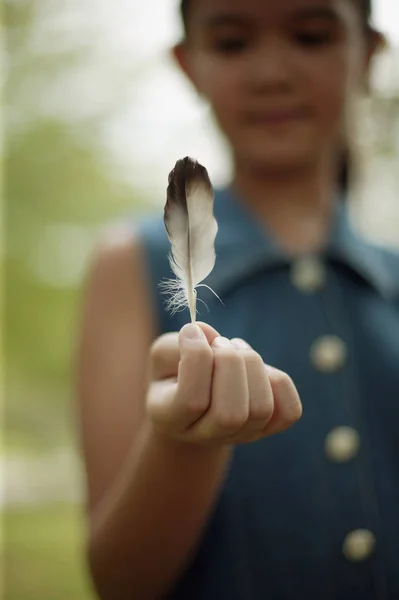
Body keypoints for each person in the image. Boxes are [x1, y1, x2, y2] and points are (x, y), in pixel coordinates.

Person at [76, 0, 399, 599]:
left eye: (310, 35)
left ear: (368, 54)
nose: (272, 72)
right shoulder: (130, 261)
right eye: (231, 43)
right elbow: (120, 582)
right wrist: (181, 445)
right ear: (188, 63)